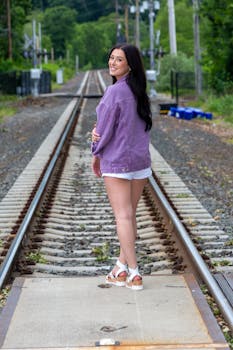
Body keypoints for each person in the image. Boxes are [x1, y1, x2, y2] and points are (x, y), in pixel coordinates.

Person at [91, 43, 152, 290]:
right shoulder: (139, 91)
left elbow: (103, 131)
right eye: (111, 58)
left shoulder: (115, 92)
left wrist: (95, 151)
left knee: (123, 216)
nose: (113, 63)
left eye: (119, 60)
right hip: (140, 162)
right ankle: (120, 267)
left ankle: (134, 273)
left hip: (117, 161)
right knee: (129, 216)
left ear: (130, 64)